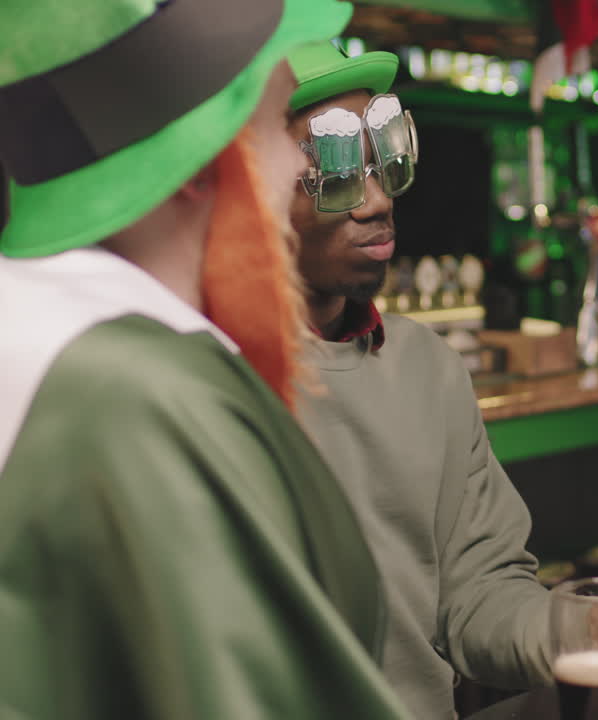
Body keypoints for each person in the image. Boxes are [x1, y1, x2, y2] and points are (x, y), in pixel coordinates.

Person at [282, 42, 598, 718]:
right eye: (338, 174)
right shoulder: (203, 382)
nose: (377, 202)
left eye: (386, 162)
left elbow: (479, 593)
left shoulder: (426, 368)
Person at [0, 1, 414, 718]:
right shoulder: (146, 401)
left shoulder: (44, 332)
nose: (295, 171)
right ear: (200, 160)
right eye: (285, 131)